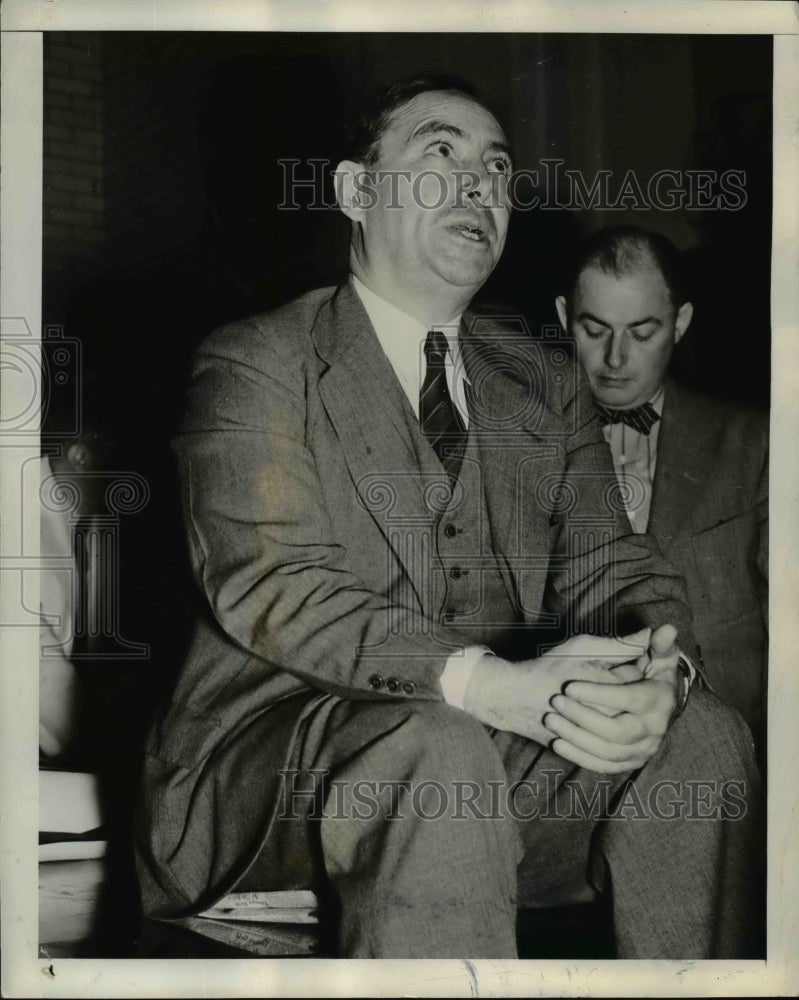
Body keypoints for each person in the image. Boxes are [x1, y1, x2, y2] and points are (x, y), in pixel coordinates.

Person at [135, 77, 762, 959]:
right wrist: (490, 686)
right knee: (435, 743)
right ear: (356, 191)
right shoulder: (259, 360)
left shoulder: (543, 381)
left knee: (704, 739)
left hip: (488, 770)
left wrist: (664, 672)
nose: (478, 185)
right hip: (273, 782)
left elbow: (618, 569)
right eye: (441, 154)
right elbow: (275, 583)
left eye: (497, 169)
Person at [555, 226, 768, 746]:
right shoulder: (522, 449)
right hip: (577, 742)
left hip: (732, 750)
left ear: (681, 324)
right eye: (594, 329)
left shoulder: (758, 444)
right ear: (564, 318)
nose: (615, 357)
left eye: (642, 332)